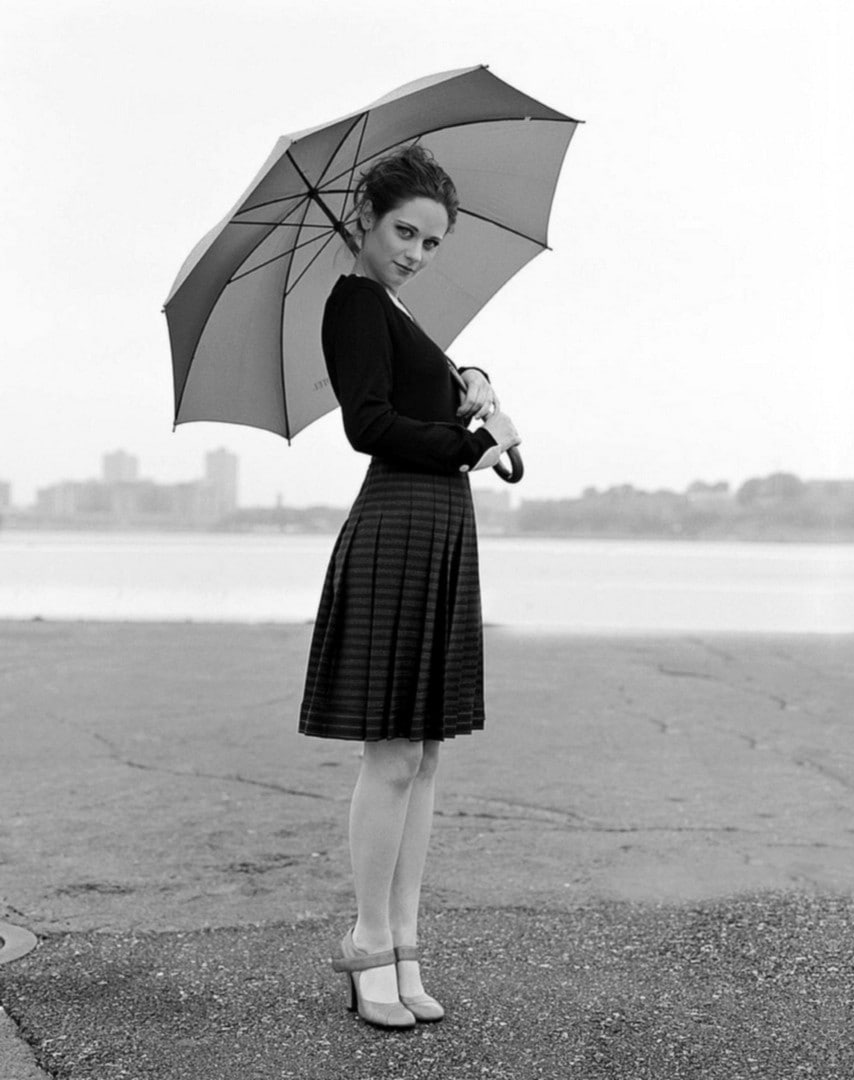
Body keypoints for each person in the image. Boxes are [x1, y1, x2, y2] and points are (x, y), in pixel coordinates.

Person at [299, 144, 521, 1030]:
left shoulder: (392, 310)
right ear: (366, 219)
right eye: (405, 233)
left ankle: (404, 938)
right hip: (399, 518)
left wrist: (469, 385)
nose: (417, 253)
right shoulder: (353, 302)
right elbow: (368, 424)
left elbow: (417, 400)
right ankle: (367, 941)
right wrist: (470, 440)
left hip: (438, 525)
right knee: (392, 753)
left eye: (433, 242)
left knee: (424, 754)